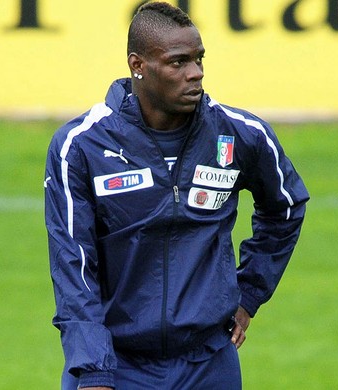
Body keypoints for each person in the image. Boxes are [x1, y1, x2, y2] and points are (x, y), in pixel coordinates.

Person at [44, 2, 309, 389]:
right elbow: (74, 265)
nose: (196, 73)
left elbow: (285, 207)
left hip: (208, 365)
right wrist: (94, 370)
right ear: (138, 65)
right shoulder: (81, 146)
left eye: (199, 59)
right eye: (178, 62)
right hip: (116, 367)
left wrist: (250, 291)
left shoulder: (240, 133)